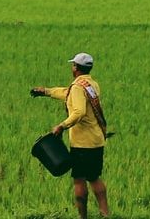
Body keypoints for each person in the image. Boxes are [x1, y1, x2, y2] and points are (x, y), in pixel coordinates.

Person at [30, 51, 110, 218]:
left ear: (76, 68)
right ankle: (105, 214)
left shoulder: (78, 87)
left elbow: (79, 111)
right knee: (94, 177)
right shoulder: (91, 84)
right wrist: (45, 91)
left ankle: (82, 217)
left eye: (73, 65)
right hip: (96, 140)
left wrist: (62, 126)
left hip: (82, 143)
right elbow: (68, 93)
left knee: (79, 179)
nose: (72, 67)